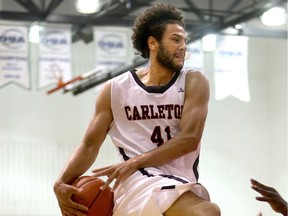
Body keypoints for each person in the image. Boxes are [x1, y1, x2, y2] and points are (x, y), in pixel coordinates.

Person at [53, 4, 220, 216]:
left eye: (185, 41)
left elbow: (189, 139)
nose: (183, 46)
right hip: (136, 180)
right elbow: (89, 145)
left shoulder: (193, 81)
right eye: (176, 39)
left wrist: (135, 160)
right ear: (153, 43)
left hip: (177, 179)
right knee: (206, 212)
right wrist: (61, 182)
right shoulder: (115, 89)